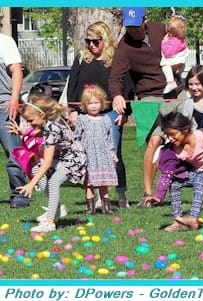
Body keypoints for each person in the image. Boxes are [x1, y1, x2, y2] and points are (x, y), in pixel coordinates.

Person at [109, 7, 185, 206]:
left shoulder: (160, 29)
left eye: (136, 26)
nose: (133, 31)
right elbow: (116, 77)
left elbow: (180, 41)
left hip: (175, 92)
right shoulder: (124, 47)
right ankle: (148, 194)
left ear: (145, 20)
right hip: (149, 96)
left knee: (190, 138)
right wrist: (117, 95)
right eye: (129, 27)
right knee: (155, 141)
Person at [67, 21, 132, 208]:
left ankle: (121, 194)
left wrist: (125, 112)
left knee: (113, 152)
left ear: (105, 40)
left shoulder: (116, 59)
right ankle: (95, 197)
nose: (91, 45)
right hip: (84, 114)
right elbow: (73, 84)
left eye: (95, 41)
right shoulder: (82, 58)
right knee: (86, 154)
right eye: (88, 41)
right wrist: (72, 110)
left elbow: (126, 85)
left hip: (110, 113)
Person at [146, 111, 203, 231]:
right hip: (197, 172)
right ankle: (178, 220)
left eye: (173, 134)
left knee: (200, 178)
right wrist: (158, 195)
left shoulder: (202, 136)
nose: (170, 139)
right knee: (175, 182)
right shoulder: (174, 150)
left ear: (185, 129)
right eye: (167, 135)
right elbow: (167, 174)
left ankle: (193, 219)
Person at [16, 94, 87, 232]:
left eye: (31, 120)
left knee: (53, 182)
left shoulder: (52, 129)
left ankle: (50, 222)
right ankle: (56, 208)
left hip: (73, 159)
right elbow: (40, 133)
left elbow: (47, 163)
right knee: (35, 169)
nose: (30, 124)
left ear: (42, 115)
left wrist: (31, 184)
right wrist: (24, 133)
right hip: (61, 157)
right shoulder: (47, 125)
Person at [74, 85, 119, 214]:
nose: (93, 106)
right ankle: (90, 208)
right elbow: (77, 137)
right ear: (85, 105)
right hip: (88, 155)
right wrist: (78, 153)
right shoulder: (82, 119)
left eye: (96, 103)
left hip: (103, 155)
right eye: (90, 103)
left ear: (102, 103)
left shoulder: (106, 119)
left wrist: (112, 153)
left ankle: (106, 207)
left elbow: (109, 138)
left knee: (103, 182)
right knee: (89, 183)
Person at [0, 33, 31, 208]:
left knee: (14, 153)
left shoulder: (4, 42)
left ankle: (20, 195)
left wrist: (14, 100)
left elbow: (16, 70)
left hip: (4, 106)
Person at [161, 15, 188, 94]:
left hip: (175, 60)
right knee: (179, 71)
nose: (168, 34)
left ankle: (170, 81)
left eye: (170, 32)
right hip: (181, 61)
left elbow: (167, 53)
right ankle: (179, 77)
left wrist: (164, 42)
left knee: (164, 65)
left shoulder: (175, 41)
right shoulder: (181, 40)